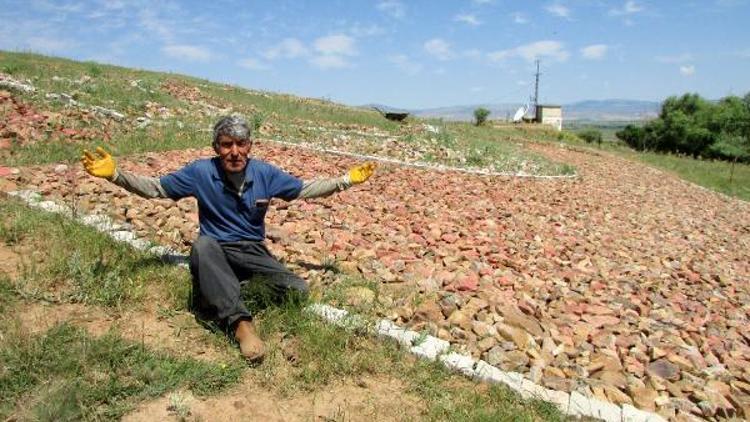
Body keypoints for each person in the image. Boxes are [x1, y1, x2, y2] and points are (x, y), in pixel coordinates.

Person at [81, 115, 376, 362]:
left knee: (297, 289)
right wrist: (116, 175)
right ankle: (240, 324)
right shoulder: (200, 172)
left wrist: (346, 180)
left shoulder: (265, 173)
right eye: (226, 145)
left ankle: (223, 291)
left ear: (250, 146)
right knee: (202, 245)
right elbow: (156, 188)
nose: (234, 151)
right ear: (216, 148)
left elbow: (304, 189)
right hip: (216, 247)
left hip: (251, 250)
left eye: (241, 144)